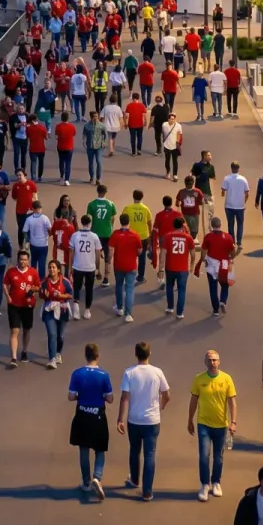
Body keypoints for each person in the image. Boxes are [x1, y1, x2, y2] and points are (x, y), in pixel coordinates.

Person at [118, 340, 170, 501]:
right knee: (150, 454)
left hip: (134, 419)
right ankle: (147, 491)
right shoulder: (157, 372)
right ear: (149, 354)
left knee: (134, 450)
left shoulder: (129, 372)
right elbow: (167, 395)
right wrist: (160, 407)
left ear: (136, 354)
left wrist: (120, 419)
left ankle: (134, 479)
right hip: (152, 421)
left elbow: (125, 398)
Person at [190, 348, 238, 500]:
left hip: (221, 425)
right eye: (209, 360)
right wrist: (189, 420)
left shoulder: (226, 379)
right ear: (205, 362)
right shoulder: (199, 379)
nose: (212, 363)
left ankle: (216, 482)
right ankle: (205, 485)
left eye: (215, 360)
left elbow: (232, 402)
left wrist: (233, 422)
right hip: (203, 423)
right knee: (204, 456)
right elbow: (193, 401)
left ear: (219, 361)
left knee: (219, 457)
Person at [69, 341, 114, 500]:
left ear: (85, 356)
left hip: (82, 415)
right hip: (98, 416)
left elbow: (71, 396)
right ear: (98, 357)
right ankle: (97, 477)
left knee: (84, 449)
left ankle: (86, 482)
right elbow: (110, 399)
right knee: (100, 449)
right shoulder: (104, 375)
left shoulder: (77, 373)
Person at [4, 245, 39, 366]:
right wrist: (8, 296)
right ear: (17, 259)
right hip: (14, 305)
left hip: (28, 305)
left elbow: (38, 286)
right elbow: (5, 284)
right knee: (14, 330)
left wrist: (32, 289)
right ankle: (13, 358)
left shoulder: (33, 272)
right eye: (21, 259)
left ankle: (24, 351)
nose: (23, 261)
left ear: (28, 260)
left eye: (25, 259)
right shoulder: (11, 272)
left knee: (26, 330)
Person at [159, 212, 196, 319]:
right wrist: (192, 266)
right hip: (183, 269)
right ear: (182, 226)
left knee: (169, 287)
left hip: (170, 267)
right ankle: (180, 313)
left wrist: (161, 268)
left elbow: (163, 254)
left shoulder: (167, 236)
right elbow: (193, 254)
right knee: (181, 290)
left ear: (173, 225)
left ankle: (170, 307)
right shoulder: (188, 238)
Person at [200, 215, 237, 314]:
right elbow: (233, 252)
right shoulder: (228, 237)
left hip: (211, 265)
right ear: (220, 225)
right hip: (224, 265)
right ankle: (223, 301)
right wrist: (230, 258)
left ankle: (215, 309)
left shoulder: (208, 237)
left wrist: (203, 260)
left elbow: (203, 251)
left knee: (213, 287)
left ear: (212, 225)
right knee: (225, 285)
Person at [42, 258, 75, 366]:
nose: (51, 270)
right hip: (49, 309)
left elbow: (70, 294)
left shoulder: (65, 281)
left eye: (53, 268)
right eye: (50, 267)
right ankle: (52, 359)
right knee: (52, 333)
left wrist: (61, 296)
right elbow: (41, 293)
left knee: (60, 335)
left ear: (59, 270)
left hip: (62, 309)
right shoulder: (45, 282)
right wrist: (44, 295)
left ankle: (58, 353)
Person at [110, 213, 143, 321]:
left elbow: (110, 249)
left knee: (119, 286)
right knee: (129, 289)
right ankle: (128, 314)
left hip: (118, 265)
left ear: (120, 221)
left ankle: (120, 308)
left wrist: (109, 260)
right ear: (129, 221)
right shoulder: (135, 235)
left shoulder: (115, 234)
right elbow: (139, 251)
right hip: (131, 265)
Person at [71, 213, 103, 318]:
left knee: (76, 288)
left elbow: (71, 252)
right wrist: (98, 268)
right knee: (89, 289)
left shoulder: (75, 235)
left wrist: (71, 267)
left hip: (77, 266)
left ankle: (76, 309)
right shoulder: (94, 236)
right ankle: (87, 310)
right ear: (90, 223)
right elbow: (98, 254)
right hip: (90, 267)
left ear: (81, 222)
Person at [88, 183, 118, 284]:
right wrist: (110, 227)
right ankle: (106, 278)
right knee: (108, 256)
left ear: (97, 192)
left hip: (95, 232)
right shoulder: (111, 204)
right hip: (107, 233)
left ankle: (97, 271)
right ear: (105, 192)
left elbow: (89, 218)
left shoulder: (91, 204)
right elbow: (113, 218)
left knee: (95, 254)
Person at [125, 189, 154, 284]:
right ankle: (140, 276)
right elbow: (150, 223)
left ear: (133, 196)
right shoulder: (146, 209)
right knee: (142, 257)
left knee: (130, 255)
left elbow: (124, 221)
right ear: (142, 197)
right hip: (143, 236)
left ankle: (129, 273)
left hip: (131, 236)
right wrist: (150, 236)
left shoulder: (128, 208)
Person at [223, 162, 251, 250]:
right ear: (238, 168)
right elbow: (247, 193)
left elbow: (223, 190)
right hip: (240, 206)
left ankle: (232, 242)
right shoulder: (243, 179)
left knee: (230, 224)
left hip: (229, 205)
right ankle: (239, 242)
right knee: (240, 224)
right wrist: (244, 202)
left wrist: (224, 192)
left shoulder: (227, 178)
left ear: (231, 168)